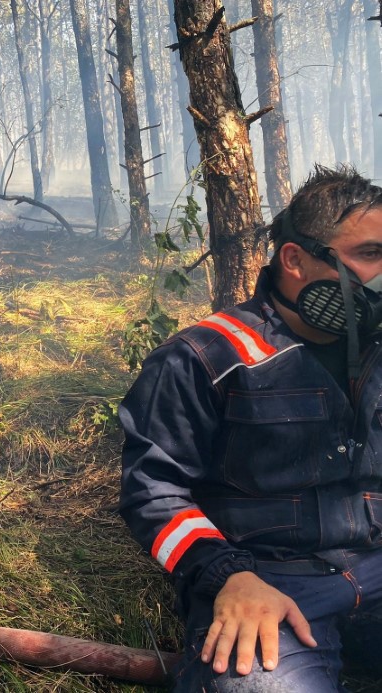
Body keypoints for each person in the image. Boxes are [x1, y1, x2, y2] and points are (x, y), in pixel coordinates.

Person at [118, 165, 382, 691]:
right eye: (370, 254)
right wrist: (227, 576)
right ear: (295, 260)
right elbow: (154, 492)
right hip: (268, 585)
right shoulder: (203, 358)